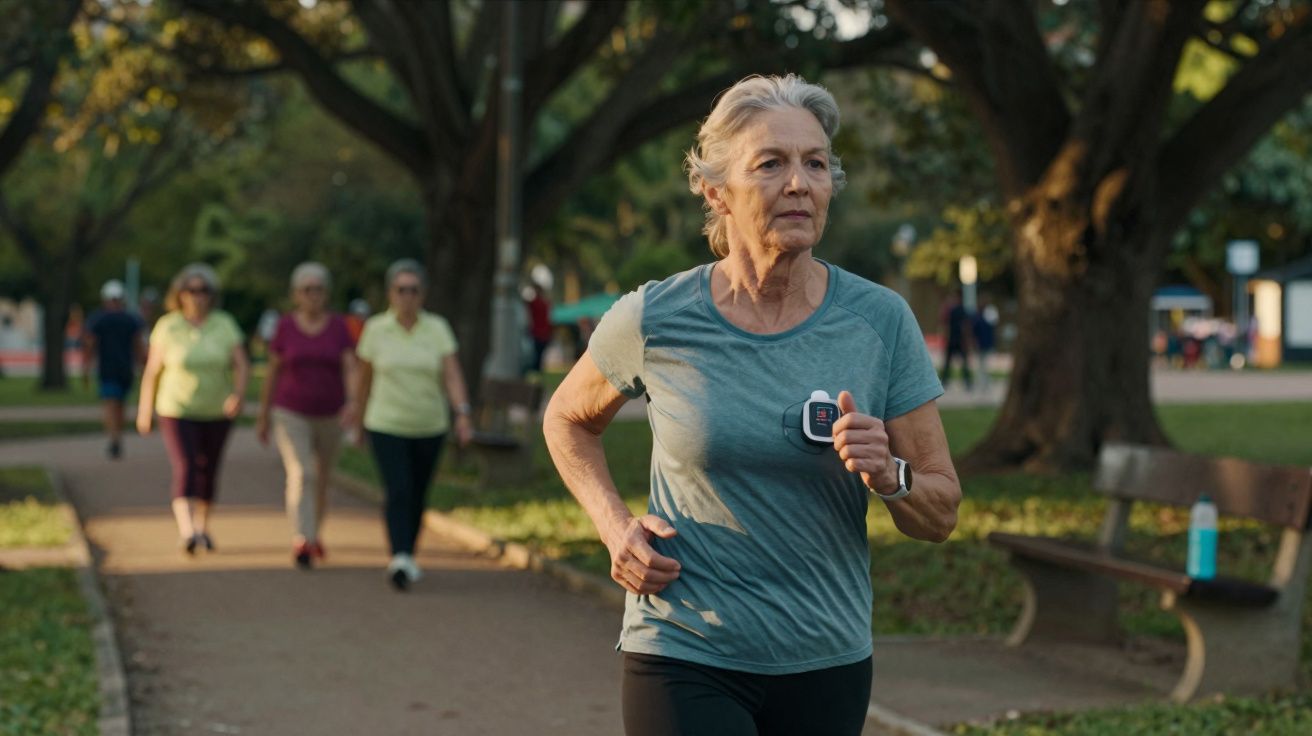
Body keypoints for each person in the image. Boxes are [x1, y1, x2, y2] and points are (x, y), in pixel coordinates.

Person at [543, 74, 961, 736]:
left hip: (825, 653)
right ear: (717, 191)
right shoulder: (656, 316)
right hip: (684, 646)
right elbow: (566, 418)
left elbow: (940, 511)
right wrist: (613, 525)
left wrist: (891, 476)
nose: (799, 183)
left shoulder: (881, 321)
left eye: (815, 164)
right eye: (771, 164)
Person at [350, 259, 473, 590]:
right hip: (385, 423)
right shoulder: (376, 329)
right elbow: (363, 378)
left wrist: (462, 412)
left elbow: (451, 372)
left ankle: (408, 553)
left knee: (418, 492)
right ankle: (399, 556)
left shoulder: (437, 328)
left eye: (413, 290)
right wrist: (356, 418)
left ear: (423, 295)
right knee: (399, 488)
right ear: (390, 293)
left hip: (429, 425)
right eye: (400, 290)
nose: (407, 296)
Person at [136, 264, 249, 555]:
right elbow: (152, 371)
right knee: (186, 464)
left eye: (205, 291)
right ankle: (187, 531)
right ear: (181, 294)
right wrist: (144, 410)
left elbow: (241, 364)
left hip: (216, 409)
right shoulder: (168, 326)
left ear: (212, 296)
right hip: (176, 407)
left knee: (209, 469)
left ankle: (202, 525)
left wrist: (238, 394)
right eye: (192, 290)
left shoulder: (224, 323)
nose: (198, 297)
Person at [256, 263, 358, 569]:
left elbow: (350, 366)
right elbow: (273, 371)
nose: (313, 295)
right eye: (307, 290)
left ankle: (315, 533)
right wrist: (263, 414)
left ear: (326, 294)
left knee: (323, 478)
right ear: (295, 294)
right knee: (302, 473)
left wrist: (353, 402)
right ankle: (303, 538)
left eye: (318, 289)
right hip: (291, 411)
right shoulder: (286, 326)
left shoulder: (339, 326)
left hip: (330, 413)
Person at [82, 279, 144, 459]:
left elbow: (90, 345)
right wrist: (142, 368)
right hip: (125, 368)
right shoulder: (132, 319)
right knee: (121, 405)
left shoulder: (98, 319)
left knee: (110, 404)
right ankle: (117, 437)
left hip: (107, 368)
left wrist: (85, 368)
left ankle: (113, 438)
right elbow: (139, 346)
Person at [939, 291, 973, 390]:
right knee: (961, 363)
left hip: (954, 340)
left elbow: (946, 325)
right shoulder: (960, 310)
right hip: (957, 340)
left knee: (950, 363)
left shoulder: (954, 310)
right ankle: (967, 382)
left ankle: (946, 381)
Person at [525, 281, 553, 374]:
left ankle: (534, 373)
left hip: (537, 334)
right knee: (539, 357)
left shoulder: (536, 303)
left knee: (535, 357)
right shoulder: (546, 303)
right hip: (544, 335)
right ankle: (537, 373)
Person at [972, 297, 997, 394]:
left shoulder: (984, 318)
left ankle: (984, 382)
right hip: (983, 344)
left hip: (984, 344)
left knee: (983, 364)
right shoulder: (982, 318)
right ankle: (983, 382)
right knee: (982, 364)